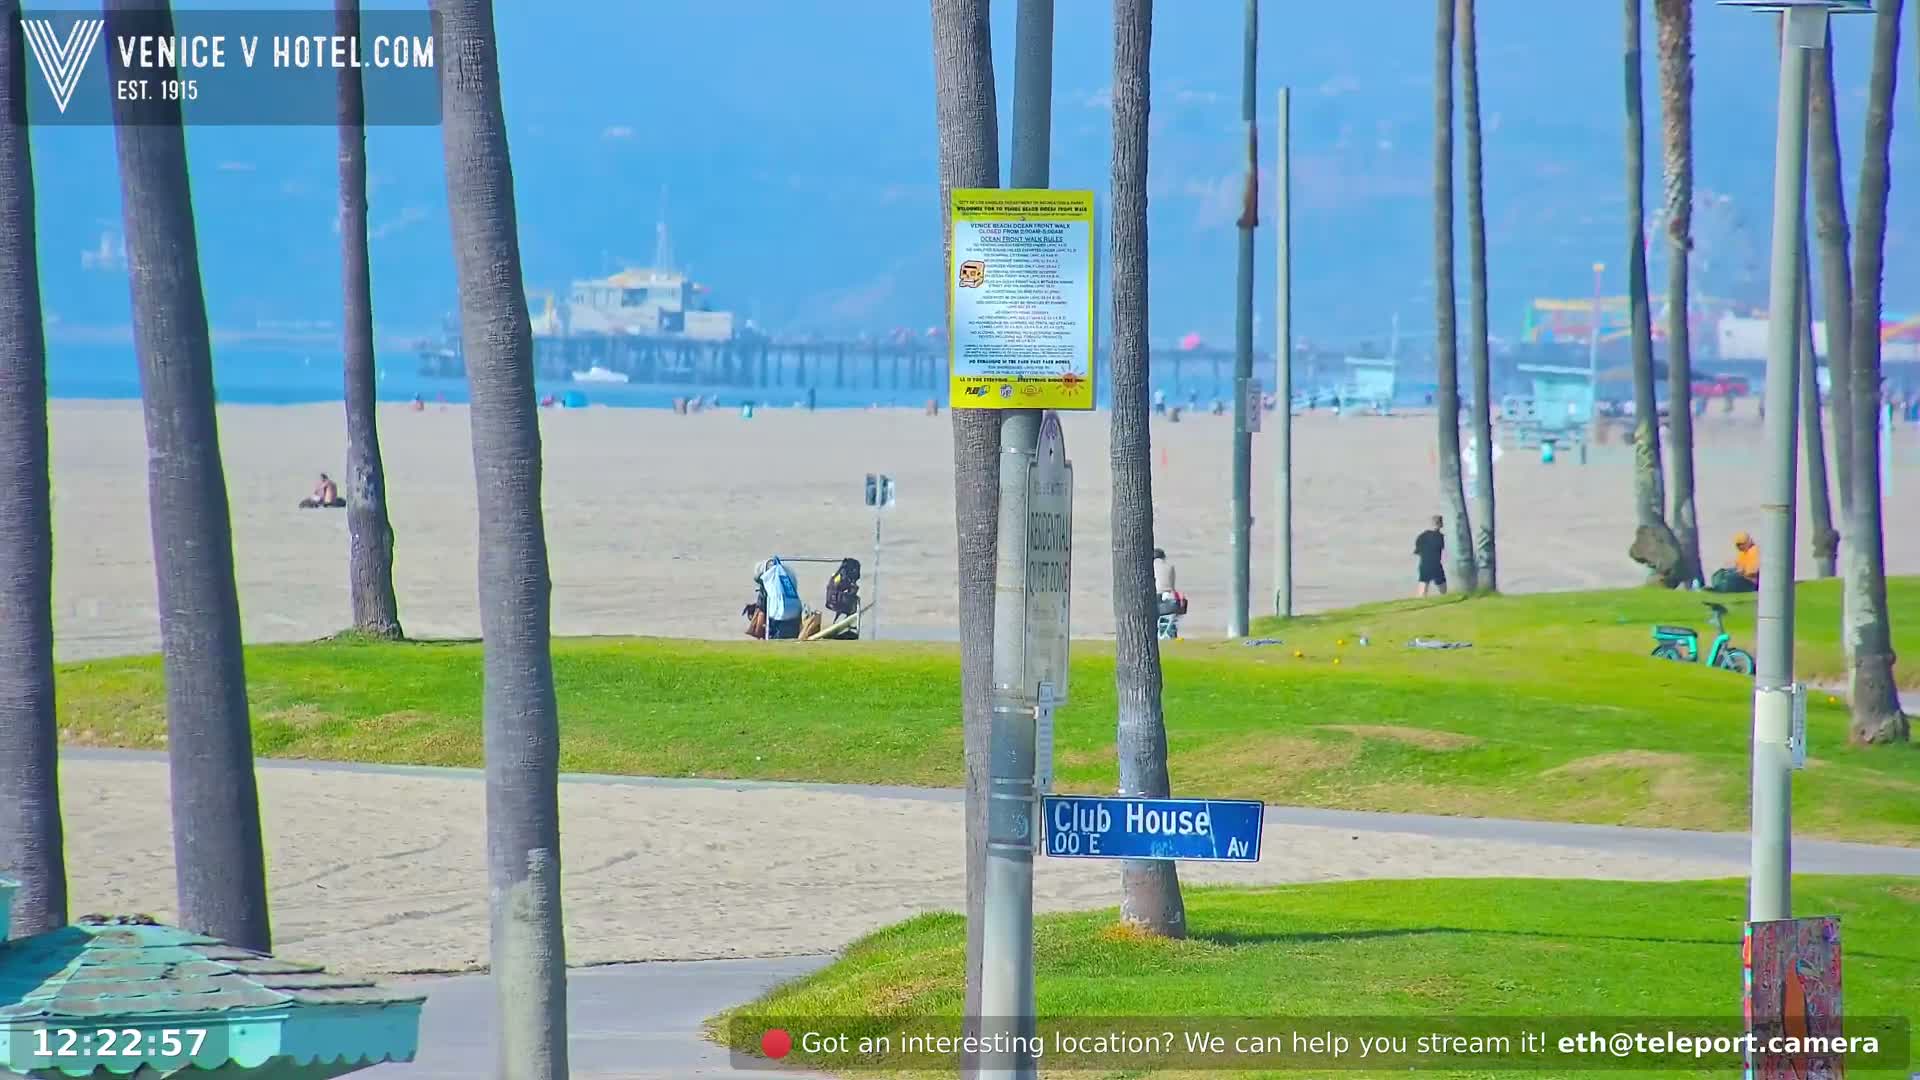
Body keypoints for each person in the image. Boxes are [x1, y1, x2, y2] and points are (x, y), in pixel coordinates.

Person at [754, 557, 804, 640]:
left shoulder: (768, 583)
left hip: (778, 620)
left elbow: (761, 612)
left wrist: (758, 634)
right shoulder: (787, 578)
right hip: (795, 617)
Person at [1414, 516, 1447, 597]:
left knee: (1423, 588)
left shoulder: (1421, 536)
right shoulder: (1440, 537)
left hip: (1424, 565)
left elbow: (1417, 552)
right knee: (1443, 590)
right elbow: (1441, 550)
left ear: (1431, 524)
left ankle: (1421, 604)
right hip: (1436, 565)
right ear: (1441, 524)